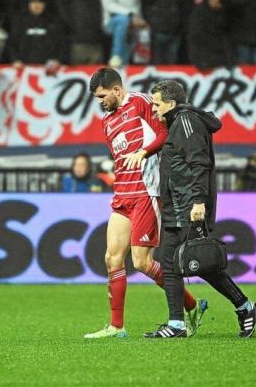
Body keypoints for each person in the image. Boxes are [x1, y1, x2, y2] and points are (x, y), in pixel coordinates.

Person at [84, 68, 203, 339]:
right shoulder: (107, 121)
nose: (100, 101)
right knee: (111, 258)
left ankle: (192, 304)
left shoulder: (140, 102)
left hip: (146, 193)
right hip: (122, 195)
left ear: (116, 89)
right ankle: (117, 326)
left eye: (102, 95)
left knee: (141, 262)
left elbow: (165, 135)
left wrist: (143, 151)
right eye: (96, 98)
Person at [144, 79, 256, 338]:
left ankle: (245, 307)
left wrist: (198, 201)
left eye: (156, 104)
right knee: (170, 262)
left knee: (201, 263)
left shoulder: (186, 121)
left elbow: (199, 163)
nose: (153, 109)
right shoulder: (178, 122)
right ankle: (177, 324)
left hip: (189, 205)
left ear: (171, 104)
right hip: (177, 205)